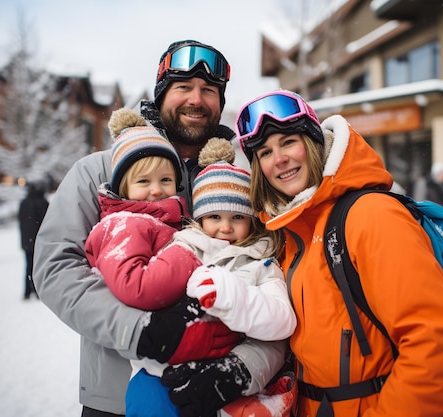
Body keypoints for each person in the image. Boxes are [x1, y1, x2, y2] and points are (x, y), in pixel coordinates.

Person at [33, 40, 286, 417]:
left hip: (228, 398)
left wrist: (246, 367)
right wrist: (142, 331)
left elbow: (275, 282)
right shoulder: (99, 172)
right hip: (118, 399)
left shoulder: (243, 179)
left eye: (209, 90)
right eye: (183, 87)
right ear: (161, 93)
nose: (196, 99)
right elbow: (56, 268)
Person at [232, 90, 443, 416]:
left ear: (313, 144)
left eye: (288, 142)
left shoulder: (371, 215)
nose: (279, 159)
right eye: (265, 152)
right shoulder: (290, 234)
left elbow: (436, 346)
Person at [18, 181, 49, 300]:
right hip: (40, 240)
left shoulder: (24, 203)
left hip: (27, 240)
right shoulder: (43, 202)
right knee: (39, 266)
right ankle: (37, 290)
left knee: (28, 266)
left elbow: (20, 220)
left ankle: (26, 291)